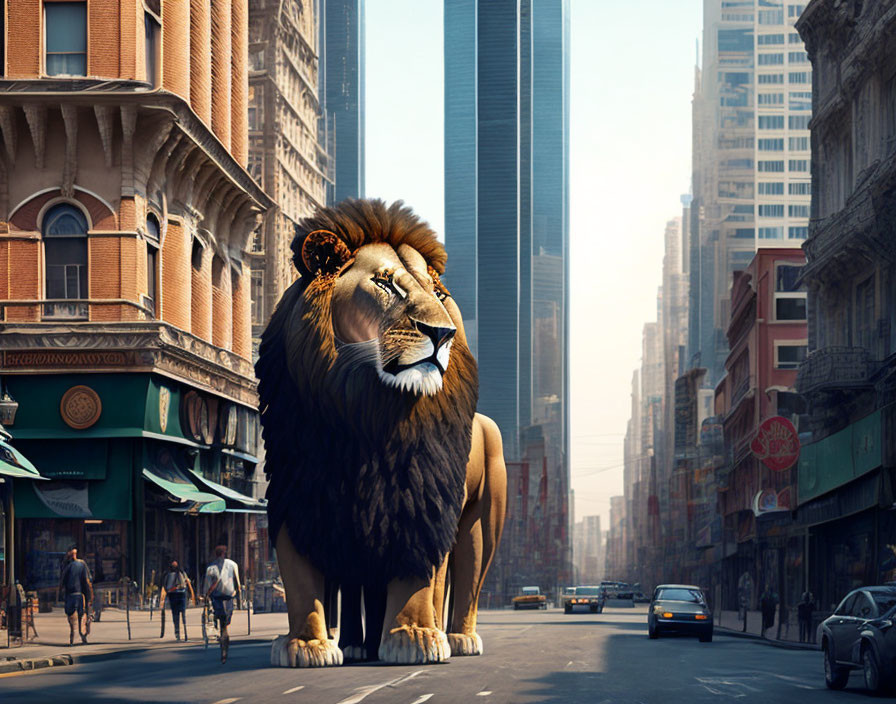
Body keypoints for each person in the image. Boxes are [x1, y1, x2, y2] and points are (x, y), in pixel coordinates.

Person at [204, 545, 241, 662]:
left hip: (217, 599)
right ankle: (224, 648)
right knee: (225, 624)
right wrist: (238, 596)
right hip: (229, 598)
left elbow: (208, 586)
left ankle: (223, 643)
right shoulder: (233, 564)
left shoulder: (211, 568)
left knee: (222, 624)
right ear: (225, 553)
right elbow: (238, 584)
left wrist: (205, 596)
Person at [56, 546, 93, 646]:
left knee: (73, 616)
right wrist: (89, 595)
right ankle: (81, 635)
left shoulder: (67, 566)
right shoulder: (80, 564)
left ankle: (74, 635)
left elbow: (62, 582)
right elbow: (87, 581)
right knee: (81, 615)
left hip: (73, 594)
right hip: (78, 594)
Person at [159, 559, 195, 641]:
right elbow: (164, 586)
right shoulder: (169, 574)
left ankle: (182, 632)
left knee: (180, 614)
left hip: (180, 594)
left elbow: (165, 586)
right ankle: (178, 632)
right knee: (177, 614)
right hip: (175, 595)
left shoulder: (180, 573)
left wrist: (191, 593)